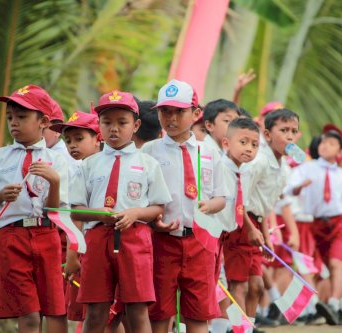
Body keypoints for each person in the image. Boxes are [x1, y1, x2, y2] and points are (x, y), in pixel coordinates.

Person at [70, 90, 171, 333]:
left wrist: (135, 213)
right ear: (99, 126)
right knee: (95, 311)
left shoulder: (148, 164)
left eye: (122, 122)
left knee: (137, 309)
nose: (114, 129)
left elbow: (158, 206)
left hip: (135, 239)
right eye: (107, 122)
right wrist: (99, 214)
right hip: (96, 241)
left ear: (135, 125)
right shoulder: (89, 164)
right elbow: (76, 210)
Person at [0, 84, 69, 333]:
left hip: (47, 235)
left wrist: (55, 181)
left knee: (55, 310)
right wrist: (0, 197)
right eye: (10, 118)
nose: (14, 123)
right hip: (11, 239)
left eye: (22, 117)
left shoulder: (58, 159)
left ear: (44, 121)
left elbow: (56, 212)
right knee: (28, 313)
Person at [141, 79, 227, 333]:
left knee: (198, 314)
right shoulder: (149, 151)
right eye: (165, 111)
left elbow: (221, 198)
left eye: (180, 111)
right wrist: (153, 222)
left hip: (200, 243)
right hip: (162, 243)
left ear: (196, 114)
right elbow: (141, 199)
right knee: (159, 313)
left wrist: (210, 206)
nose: (172, 118)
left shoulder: (209, 153)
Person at [231, 108, 300, 328]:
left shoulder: (285, 169)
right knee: (238, 285)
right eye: (284, 130)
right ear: (268, 135)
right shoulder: (258, 162)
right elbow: (238, 197)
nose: (290, 136)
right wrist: (250, 228)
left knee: (257, 286)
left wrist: (266, 233)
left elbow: (266, 206)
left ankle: (247, 327)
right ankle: (237, 327)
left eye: (294, 131)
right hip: (240, 224)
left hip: (256, 224)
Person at [286, 128, 342, 325]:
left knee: (336, 263)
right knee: (328, 265)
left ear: (339, 151)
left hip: (341, 222)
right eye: (323, 142)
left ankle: (333, 303)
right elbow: (289, 188)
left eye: (332, 143)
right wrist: (299, 187)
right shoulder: (307, 168)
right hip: (317, 224)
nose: (325, 145)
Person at [50, 110, 102, 327]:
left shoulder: (100, 167)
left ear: (99, 138)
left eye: (79, 139)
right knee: (92, 309)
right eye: (68, 140)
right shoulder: (76, 169)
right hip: (84, 246)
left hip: (100, 245)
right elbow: (75, 217)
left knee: (106, 310)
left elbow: (78, 216)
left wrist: (73, 255)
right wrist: (74, 254)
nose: (72, 145)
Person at [211, 117, 261, 333]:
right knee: (217, 284)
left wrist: (252, 229)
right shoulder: (218, 168)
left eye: (254, 144)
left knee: (232, 285)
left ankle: (236, 328)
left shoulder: (247, 171)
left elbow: (242, 204)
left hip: (232, 234)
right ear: (225, 143)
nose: (249, 149)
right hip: (213, 234)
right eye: (243, 142)